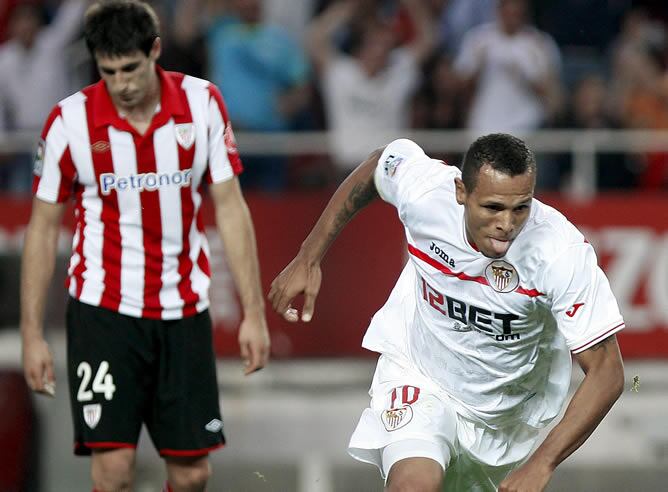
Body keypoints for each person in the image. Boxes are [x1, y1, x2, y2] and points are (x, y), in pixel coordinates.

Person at [269, 133, 625, 491]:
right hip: (419, 374)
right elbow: (379, 164)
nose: (507, 223)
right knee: (413, 486)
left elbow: (607, 371)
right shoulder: (428, 195)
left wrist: (542, 463)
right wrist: (308, 256)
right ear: (461, 192)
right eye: (492, 208)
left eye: (521, 207)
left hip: (502, 421)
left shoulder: (559, 252)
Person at [20, 1, 270, 491]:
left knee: (193, 473)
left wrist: (253, 313)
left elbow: (231, 207)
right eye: (108, 71)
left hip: (182, 311)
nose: (122, 83)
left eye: (131, 68)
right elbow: (43, 226)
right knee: (112, 470)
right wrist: (32, 334)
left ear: (155, 51)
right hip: (103, 314)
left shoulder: (202, 104)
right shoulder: (68, 123)